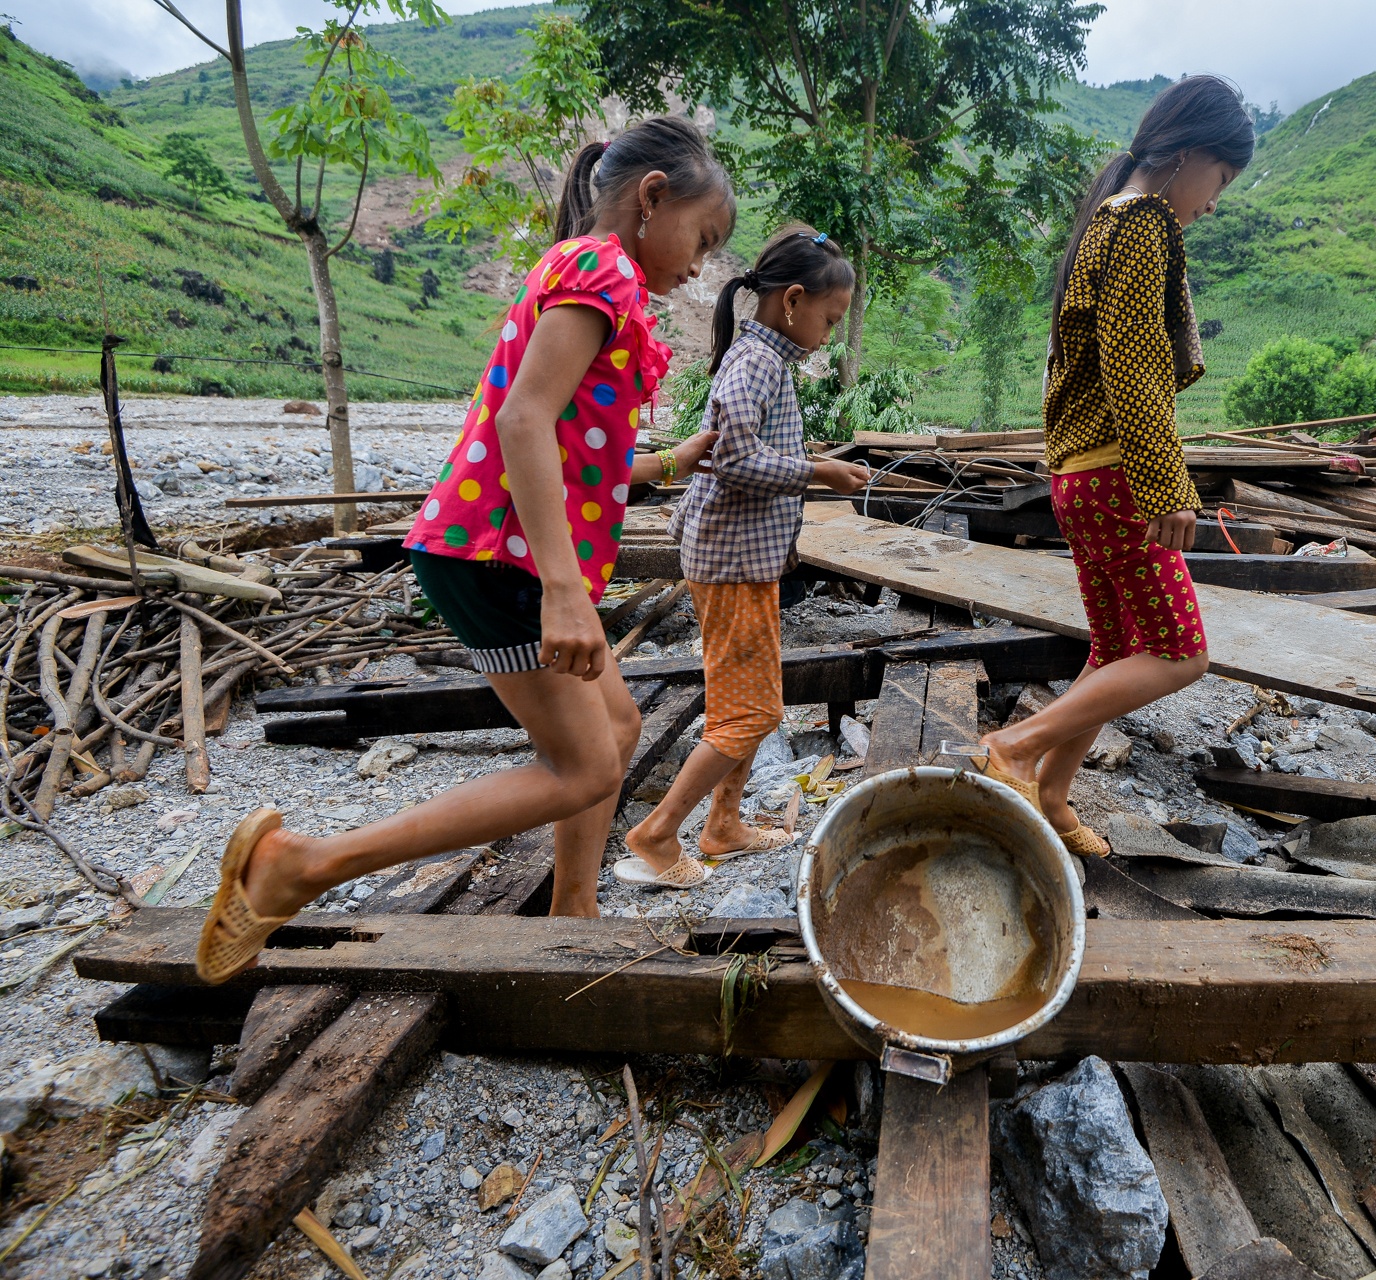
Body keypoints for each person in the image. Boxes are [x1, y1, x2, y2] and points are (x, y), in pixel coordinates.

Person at [195, 118, 737, 983]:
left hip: (510, 553)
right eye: (703, 239)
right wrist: (564, 591)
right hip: (500, 557)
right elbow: (522, 419)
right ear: (652, 197)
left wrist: (671, 462)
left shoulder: (587, 271)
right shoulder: (600, 268)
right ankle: (301, 865)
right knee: (585, 765)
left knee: (620, 723)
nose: (700, 265)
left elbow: (570, 445)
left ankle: (573, 909)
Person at [974, 76, 1254, 857]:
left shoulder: (1105, 219)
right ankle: (1015, 749)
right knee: (1179, 652)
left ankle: (1052, 800)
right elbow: (1133, 360)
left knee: (1113, 646)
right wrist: (1167, 483)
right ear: (1189, 151)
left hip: (1079, 475)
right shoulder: (1142, 222)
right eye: (1221, 179)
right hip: (1117, 476)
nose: (1215, 199)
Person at [616, 227, 873, 888]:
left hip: (740, 557)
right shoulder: (756, 361)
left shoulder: (762, 358)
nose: (829, 334)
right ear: (792, 300)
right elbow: (732, 459)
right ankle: (656, 832)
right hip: (730, 561)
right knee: (751, 712)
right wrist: (816, 472)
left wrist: (813, 469)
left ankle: (722, 826)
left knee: (743, 701)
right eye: (829, 319)